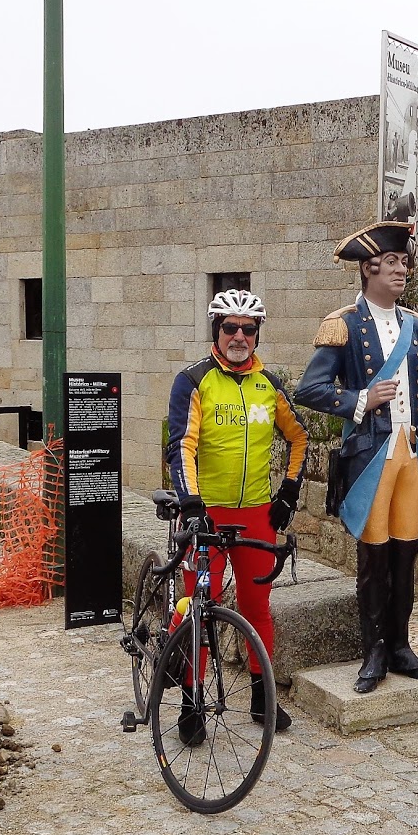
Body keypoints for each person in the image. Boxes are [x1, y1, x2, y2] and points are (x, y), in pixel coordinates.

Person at [295, 220, 418, 695]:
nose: (402, 270)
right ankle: (374, 651)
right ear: (368, 268)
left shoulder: (416, 325)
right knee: (373, 556)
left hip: (411, 452)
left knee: (406, 552)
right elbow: (309, 389)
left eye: (404, 262)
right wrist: (361, 399)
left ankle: (400, 646)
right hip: (371, 452)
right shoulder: (343, 324)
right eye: (392, 262)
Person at [165, 289, 308, 735]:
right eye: (230, 327)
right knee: (199, 606)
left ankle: (262, 700)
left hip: (256, 515)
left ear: (257, 334)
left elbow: (300, 438)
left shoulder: (269, 385)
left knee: (257, 607)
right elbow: (181, 446)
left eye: (249, 328)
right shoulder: (194, 380)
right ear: (217, 330)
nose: (239, 336)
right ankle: (191, 703)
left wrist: (288, 492)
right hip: (206, 514)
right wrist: (191, 504)